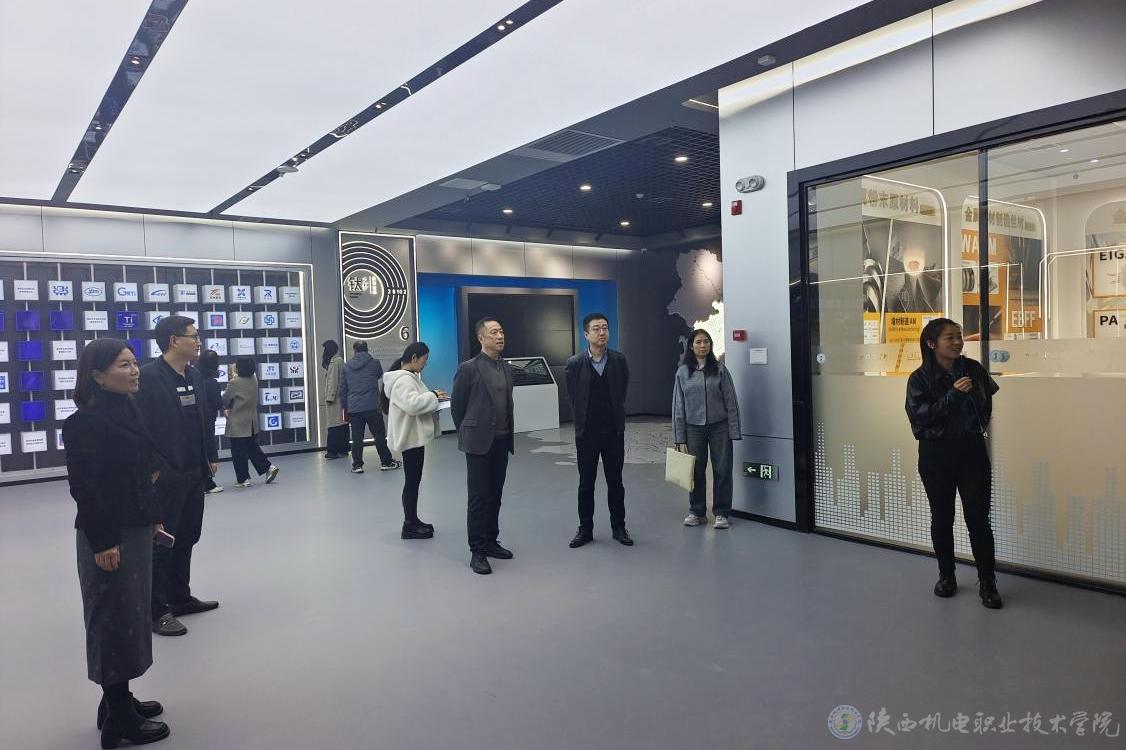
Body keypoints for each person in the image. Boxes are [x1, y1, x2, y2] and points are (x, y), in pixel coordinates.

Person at [64, 338, 170, 748]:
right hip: (109, 535)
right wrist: (104, 542)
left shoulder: (127, 408)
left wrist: (153, 516)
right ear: (97, 375)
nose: (134, 370)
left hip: (135, 528)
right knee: (111, 620)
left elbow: (141, 471)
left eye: (134, 362)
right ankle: (118, 720)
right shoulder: (84, 423)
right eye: (124, 365)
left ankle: (116, 701)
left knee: (130, 617)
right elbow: (86, 489)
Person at [906, 318, 1002, 609]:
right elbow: (920, 419)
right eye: (950, 337)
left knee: (979, 520)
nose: (958, 342)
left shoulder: (974, 369)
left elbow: (987, 401)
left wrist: (976, 424)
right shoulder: (919, 379)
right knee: (941, 518)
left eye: (959, 336)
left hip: (972, 451)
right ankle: (946, 576)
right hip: (936, 454)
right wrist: (953, 396)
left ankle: (988, 583)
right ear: (931, 343)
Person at [135, 315, 220, 637]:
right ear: (174, 340)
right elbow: (139, 427)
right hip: (164, 476)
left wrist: (210, 455)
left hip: (193, 471)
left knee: (186, 537)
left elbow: (205, 418)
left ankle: (180, 598)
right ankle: (157, 610)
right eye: (193, 336)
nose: (198, 342)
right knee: (162, 543)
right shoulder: (149, 377)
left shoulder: (194, 375)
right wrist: (153, 467)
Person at [451, 317, 515, 575]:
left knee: (495, 494)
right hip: (478, 443)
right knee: (478, 497)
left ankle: (490, 541)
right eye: (494, 332)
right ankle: (477, 550)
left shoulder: (506, 367)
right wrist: (469, 431)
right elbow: (457, 406)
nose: (500, 336)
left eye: (501, 331)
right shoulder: (468, 368)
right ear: (481, 338)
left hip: (502, 440)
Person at [564, 312, 633, 548]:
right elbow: (573, 397)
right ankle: (585, 529)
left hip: (613, 432)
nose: (602, 332)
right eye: (596, 328)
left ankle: (619, 527)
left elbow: (622, 390)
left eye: (605, 328)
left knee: (616, 482)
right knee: (586, 483)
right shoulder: (574, 364)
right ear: (586, 334)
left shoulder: (619, 360)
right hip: (587, 433)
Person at [671, 329, 741, 529]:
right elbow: (678, 406)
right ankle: (697, 512)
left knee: (723, 469)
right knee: (695, 470)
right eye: (699, 342)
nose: (703, 346)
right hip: (693, 428)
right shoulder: (683, 372)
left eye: (706, 342)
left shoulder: (720, 370)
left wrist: (734, 430)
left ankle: (722, 513)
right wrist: (679, 436)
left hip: (720, 427)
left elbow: (731, 401)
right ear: (691, 346)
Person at [383, 342, 449, 539]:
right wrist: (433, 396)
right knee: (412, 482)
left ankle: (413, 520)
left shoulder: (407, 378)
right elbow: (412, 405)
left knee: (414, 481)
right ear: (413, 358)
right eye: (424, 359)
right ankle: (409, 525)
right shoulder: (403, 380)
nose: (425, 364)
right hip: (410, 438)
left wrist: (433, 398)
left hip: (413, 437)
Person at [338, 340, 401, 474]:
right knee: (379, 435)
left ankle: (357, 465)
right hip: (372, 406)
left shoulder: (346, 367)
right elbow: (378, 375)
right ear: (367, 350)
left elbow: (342, 389)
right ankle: (386, 462)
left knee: (357, 438)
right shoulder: (375, 363)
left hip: (354, 408)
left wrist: (345, 407)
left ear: (354, 350)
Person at [222, 357, 280, 488]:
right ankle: (268, 467)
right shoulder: (254, 378)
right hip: (251, 422)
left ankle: (243, 479)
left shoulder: (234, 382)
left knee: (238, 452)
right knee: (251, 448)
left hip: (238, 422)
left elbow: (225, 398)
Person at [198, 349, 225, 495]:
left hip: (194, 421)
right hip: (209, 420)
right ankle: (208, 483)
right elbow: (217, 403)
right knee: (207, 450)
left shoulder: (193, 377)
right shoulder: (212, 383)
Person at [321, 340, 349, 460]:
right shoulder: (339, 360)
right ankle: (343, 449)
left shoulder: (335, 362)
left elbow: (333, 381)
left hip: (334, 400)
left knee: (333, 425)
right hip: (339, 399)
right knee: (342, 424)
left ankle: (332, 451)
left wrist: (329, 397)